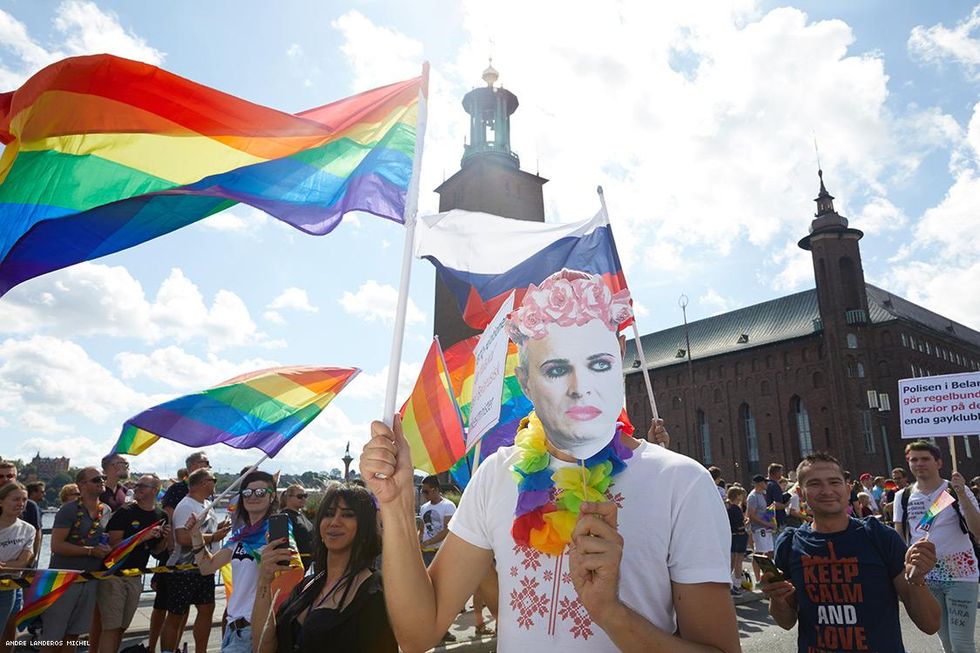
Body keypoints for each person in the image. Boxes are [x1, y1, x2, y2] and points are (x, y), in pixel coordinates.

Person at [360, 270, 738, 652]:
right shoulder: (497, 473)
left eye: (598, 363)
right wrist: (395, 504)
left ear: (620, 354)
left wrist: (610, 612)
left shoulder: (682, 483)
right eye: (556, 369)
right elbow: (417, 634)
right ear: (524, 379)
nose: (579, 388)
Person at [762, 452, 939, 652]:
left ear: (847, 490)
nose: (827, 491)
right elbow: (786, 621)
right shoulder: (790, 544)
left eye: (834, 482)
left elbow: (930, 625)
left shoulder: (879, 537)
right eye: (815, 484)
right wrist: (776, 599)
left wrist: (917, 579)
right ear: (801, 494)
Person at [251, 483, 396, 653]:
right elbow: (263, 647)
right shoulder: (307, 585)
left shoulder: (376, 592)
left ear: (365, 528)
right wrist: (264, 581)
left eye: (347, 515)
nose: (335, 522)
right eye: (328, 514)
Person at [893, 440, 980, 653]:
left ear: (939, 462)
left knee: (961, 643)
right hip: (926, 576)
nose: (919, 464)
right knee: (946, 643)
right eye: (914, 459)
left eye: (925, 459)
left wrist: (961, 494)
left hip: (961, 573)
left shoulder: (955, 489)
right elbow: (899, 538)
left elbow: (977, 531)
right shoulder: (902, 497)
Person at [187, 471, 278, 653]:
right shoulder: (241, 535)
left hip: (255, 628)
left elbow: (285, 577)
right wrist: (195, 534)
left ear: (272, 496)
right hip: (233, 629)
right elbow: (207, 567)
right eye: (247, 492)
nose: (253, 497)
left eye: (260, 492)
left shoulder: (275, 533)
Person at [41, 467, 111, 653]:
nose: (102, 481)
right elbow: (56, 546)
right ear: (82, 484)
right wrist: (90, 551)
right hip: (64, 579)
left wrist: (106, 550)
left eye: (103, 478)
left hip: (90, 579)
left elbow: (102, 539)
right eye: (96, 479)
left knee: (74, 634)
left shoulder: (106, 510)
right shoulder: (68, 510)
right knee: (53, 637)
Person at [160, 468, 230, 653]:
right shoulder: (186, 506)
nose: (215, 483)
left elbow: (205, 531)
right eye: (213, 479)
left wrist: (218, 529)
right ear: (203, 483)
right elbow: (182, 538)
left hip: (204, 567)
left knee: (206, 609)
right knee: (176, 615)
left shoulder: (206, 504)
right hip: (184, 568)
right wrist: (214, 536)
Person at [99, 474, 170, 653]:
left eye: (142, 486)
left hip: (135, 576)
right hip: (114, 575)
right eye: (136, 485)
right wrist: (141, 538)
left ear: (155, 490)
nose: (137, 488)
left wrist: (165, 540)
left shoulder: (160, 515)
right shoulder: (125, 512)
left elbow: (156, 551)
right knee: (111, 628)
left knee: (122, 627)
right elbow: (112, 546)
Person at [0, 481, 36, 653]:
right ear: (1, 501)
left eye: (24, 499)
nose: (20, 503)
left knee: (9, 634)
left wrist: (4, 567)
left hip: (13, 585)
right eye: (15, 499)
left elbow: (23, 562)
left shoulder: (28, 529)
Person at [418, 475, 455, 567]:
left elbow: (447, 530)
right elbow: (422, 530)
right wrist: (417, 544)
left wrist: (428, 542)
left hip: (441, 552)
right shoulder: (424, 507)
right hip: (426, 553)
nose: (424, 494)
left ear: (435, 490)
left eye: (426, 492)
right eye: (422, 491)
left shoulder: (448, 506)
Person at [746, 474, 774, 583]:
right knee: (759, 553)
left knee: (769, 552)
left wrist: (771, 521)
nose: (766, 484)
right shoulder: (752, 497)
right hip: (759, 528)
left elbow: (765, 510)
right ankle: (758, 579)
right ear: (758, 483)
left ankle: (768, 576)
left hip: (766, 527)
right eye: (763, 482)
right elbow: (752, 515)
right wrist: (766, 524)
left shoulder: (763, 494)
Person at [282, 485, 314, 568]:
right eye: (300, 496)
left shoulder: (302, 516)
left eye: (305, 496)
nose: (303, 499)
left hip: (310, 563)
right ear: (288, 497)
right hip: (295, 565)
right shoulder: (284, 517)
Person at [726, 486, 748, 596]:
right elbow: (739, 525)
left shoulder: (728, 508)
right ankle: (736, 585)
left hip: (732, 536)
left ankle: (727, 584)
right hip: (739, 536)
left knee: (732, 561)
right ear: (737, 496)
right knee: (738, 561)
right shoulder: (736, 509)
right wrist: (745, 524)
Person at [765, 463, 786, 529]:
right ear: (776, 473)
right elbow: (777, 504)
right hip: (777, 520)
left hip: (766, 519)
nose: (782, 474)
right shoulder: (774, 485)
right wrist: (786, 506)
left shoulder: (764, 484)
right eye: (781, 471)